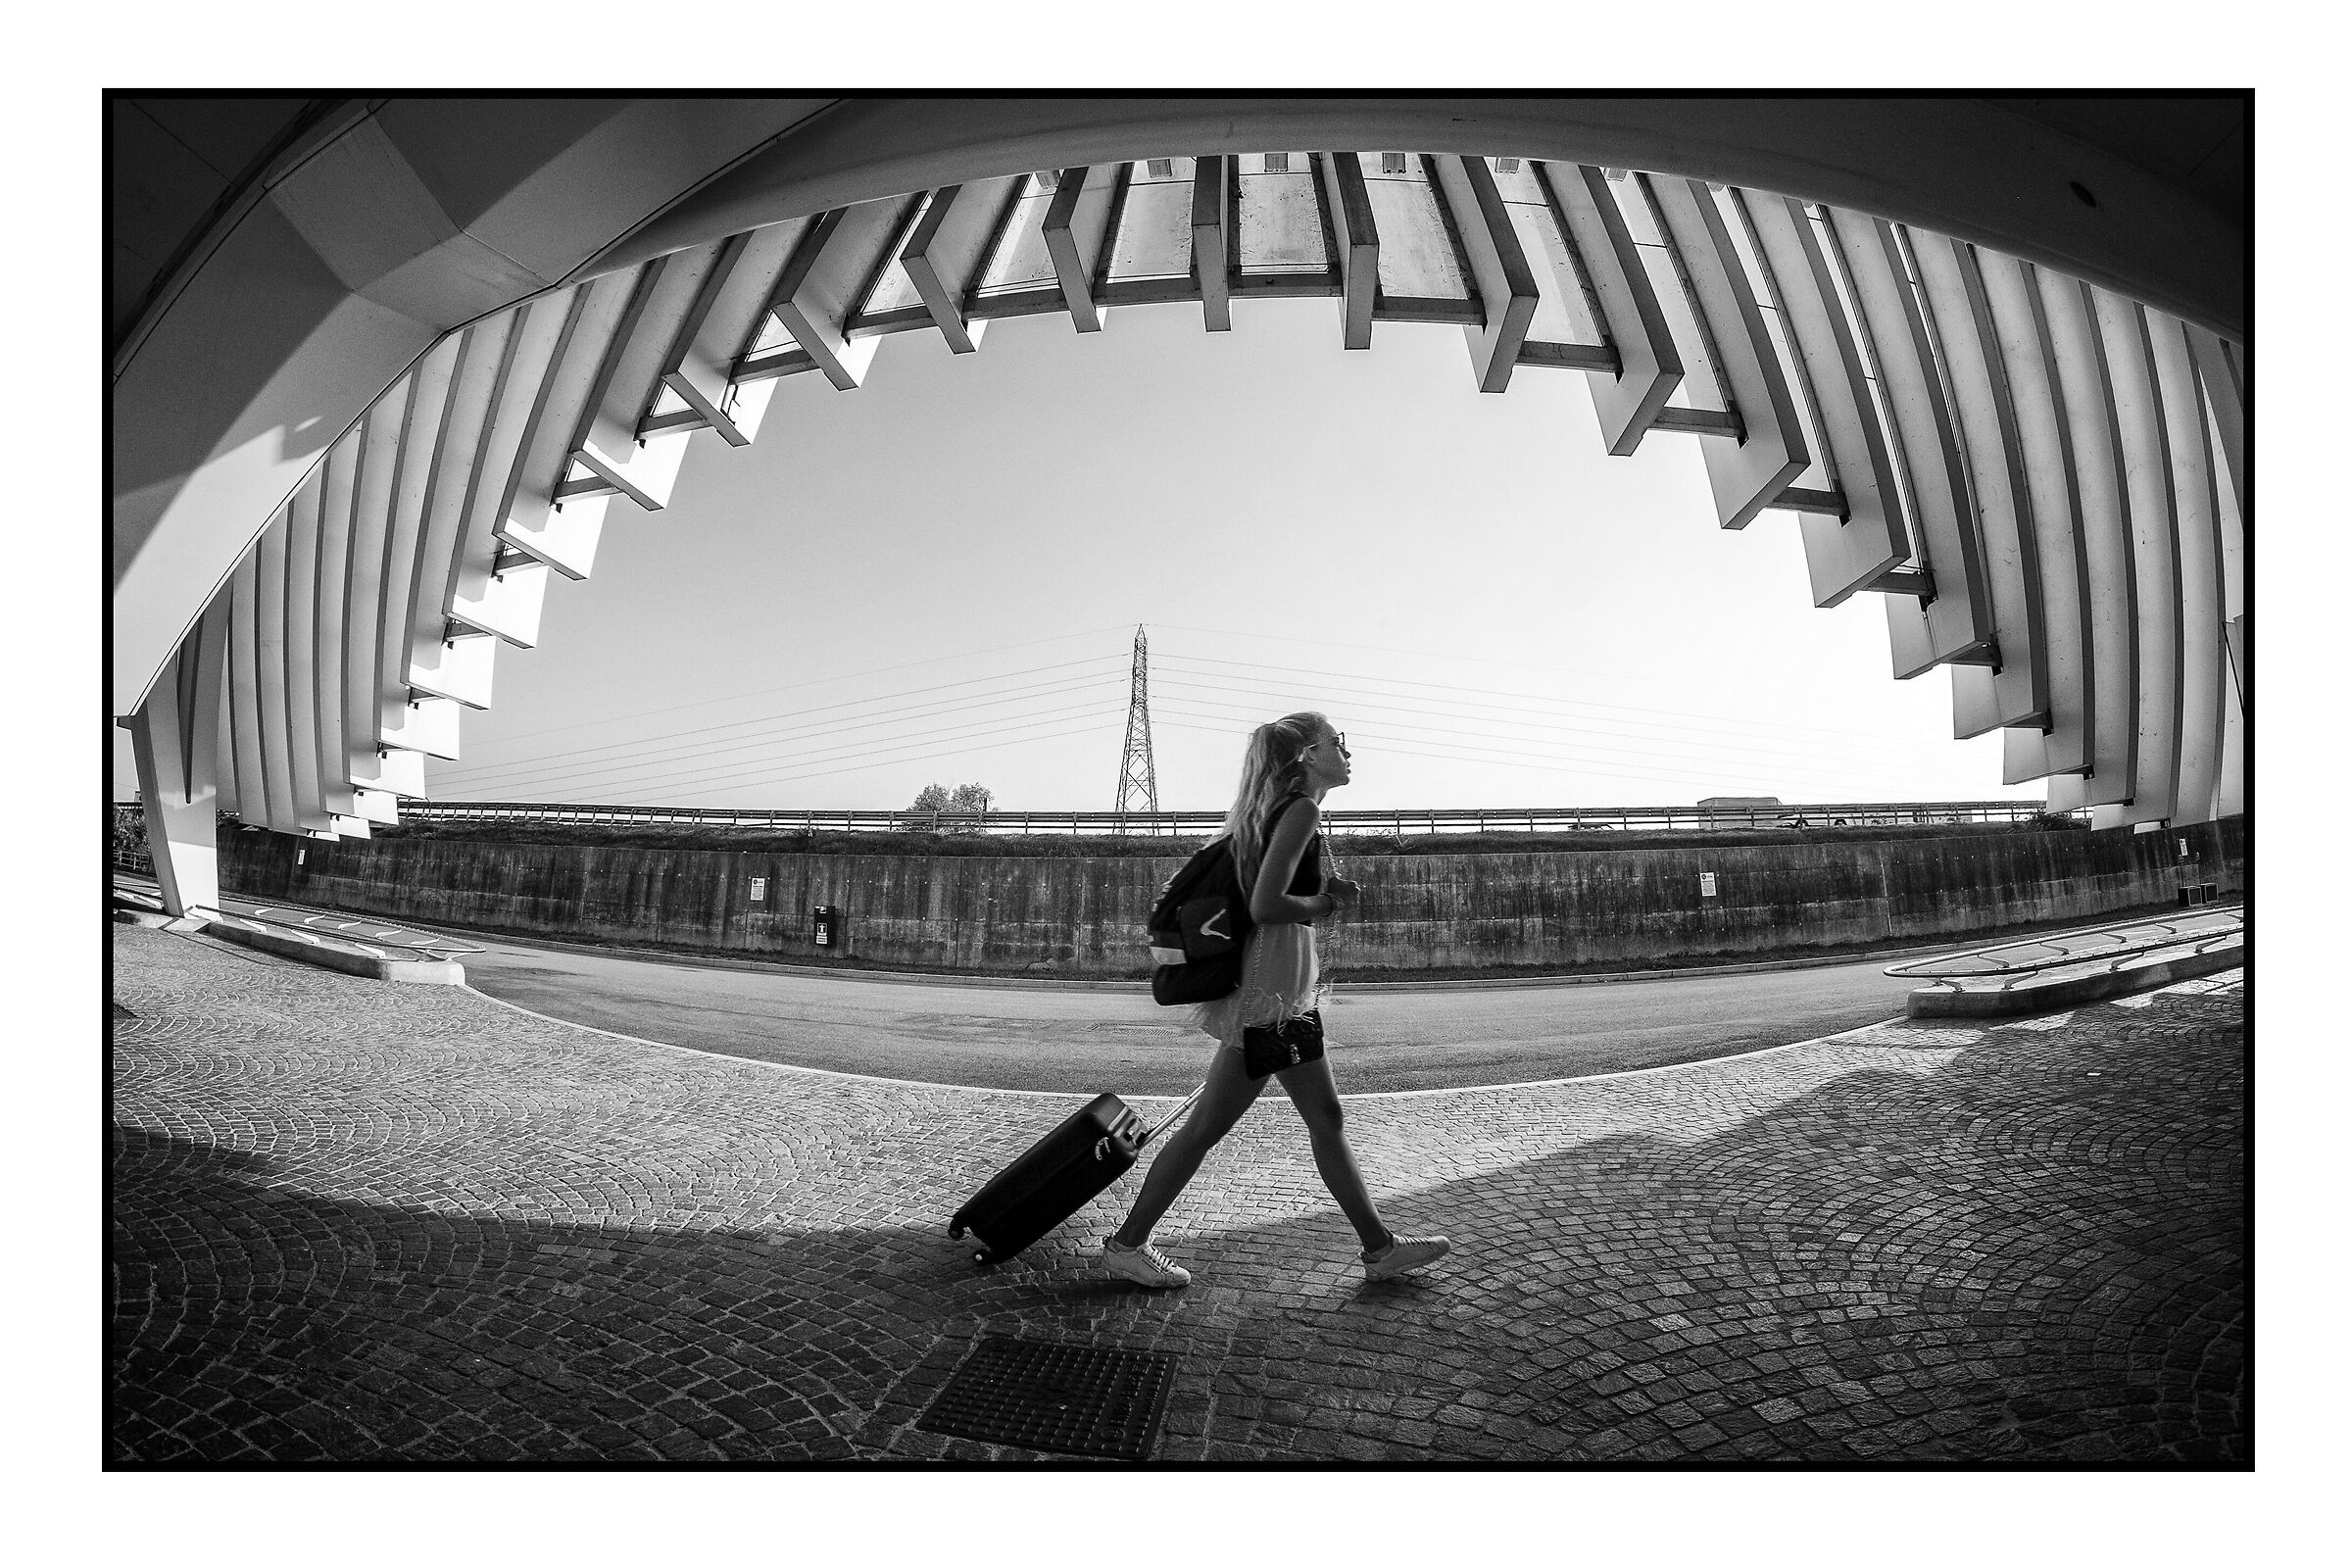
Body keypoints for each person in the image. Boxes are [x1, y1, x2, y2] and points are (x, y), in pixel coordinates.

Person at [1102, 712, 1451, 1288]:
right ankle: (1126, 1244)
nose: (1347, 752)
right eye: (1338, 743)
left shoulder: (1279, 813)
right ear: (1308, 756)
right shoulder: (1302, 811)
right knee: (1211, 1129)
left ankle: (1379, 1247)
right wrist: (1327, 905)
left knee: (1319, 1118)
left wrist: (1321, 890)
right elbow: (1267, 905)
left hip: (1274, 994)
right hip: (1270, 1000)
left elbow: (1273, 889)